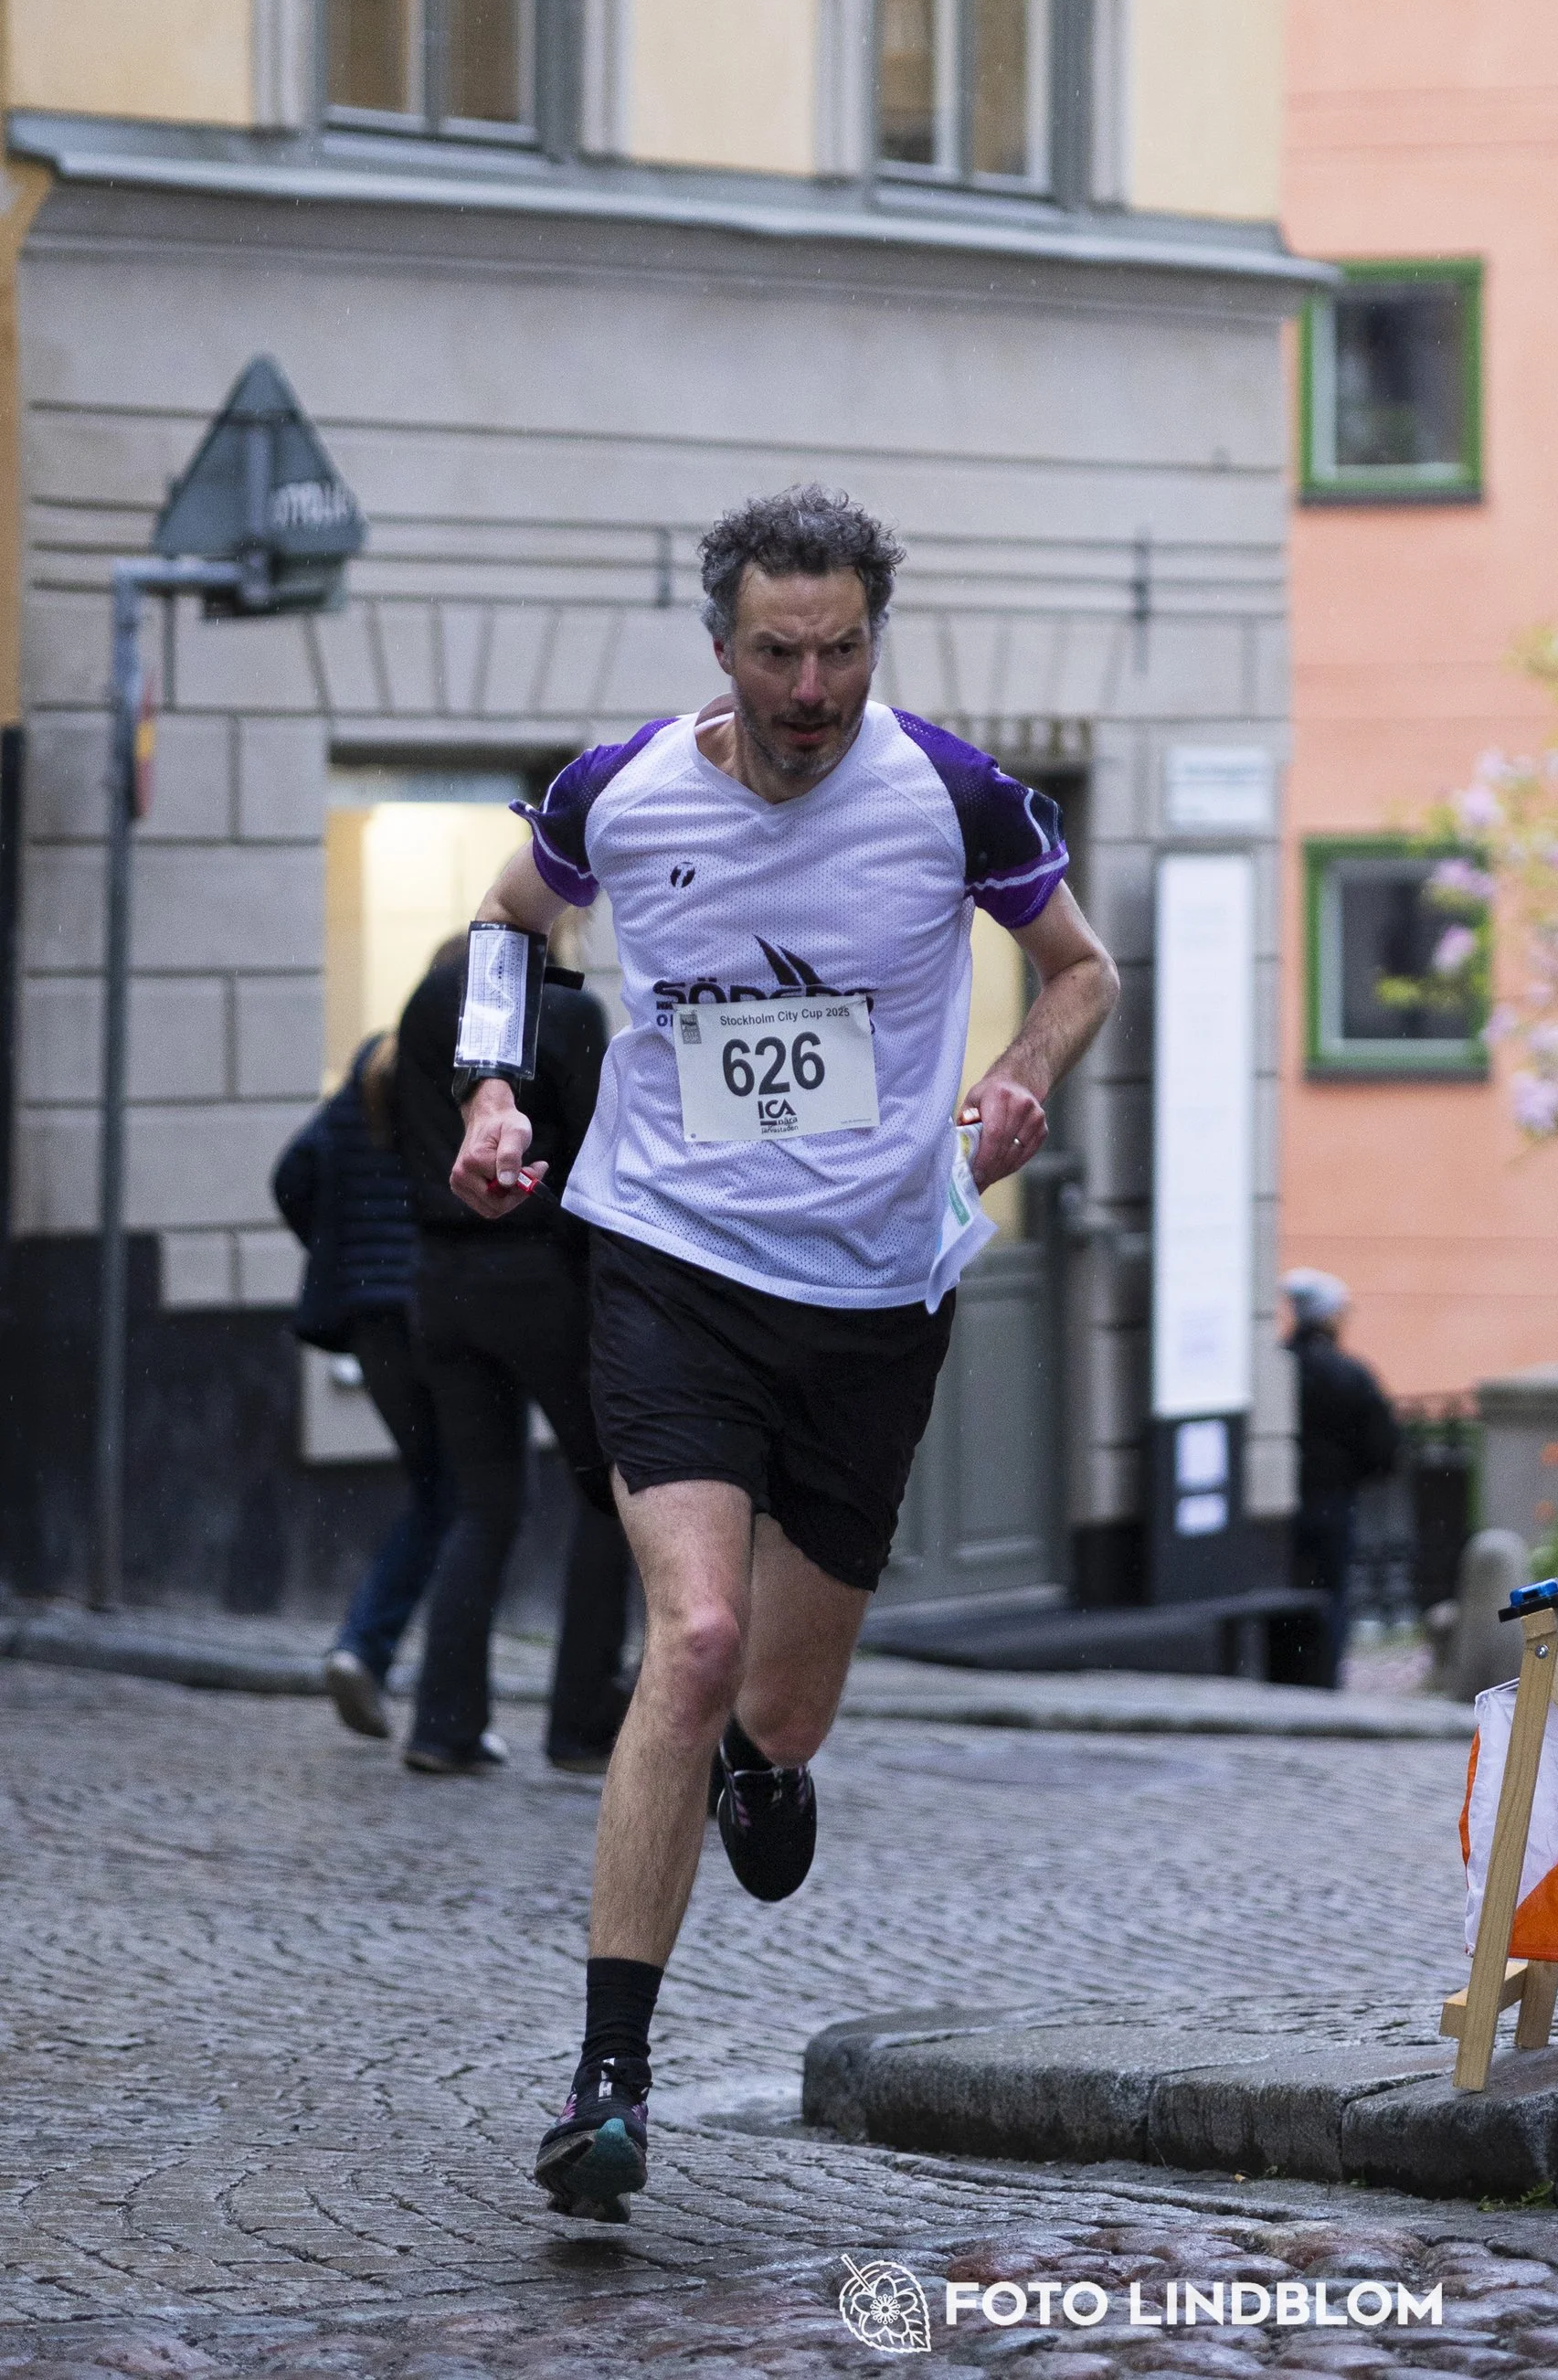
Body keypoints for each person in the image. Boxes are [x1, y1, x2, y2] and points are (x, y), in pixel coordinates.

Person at [441, 485, 1118, 2220]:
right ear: (721, 648)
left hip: (875, 1298)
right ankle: (609, 2080)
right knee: (698, 1636)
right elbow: (506, 921)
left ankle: (763, 1758)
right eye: (778, 654)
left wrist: (1022, 1071)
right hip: (670, 1264)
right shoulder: (621, 790)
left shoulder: (951, 792)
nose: (812, 690)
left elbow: (1081, 969)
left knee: (783, 1701)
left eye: (842, 651)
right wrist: (494, 1087)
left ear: (874, 639)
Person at [393, 937, 634, 1778]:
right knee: (611, 1490)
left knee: (483, 1502)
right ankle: (582, 1719)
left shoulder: (427, 1002)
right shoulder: (567, 1011)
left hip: (439, 1281)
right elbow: (602, 1157)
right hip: (542, 1282)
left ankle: (443, 1722)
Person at [271, 1033, 445, 1741]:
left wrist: (337, 1251)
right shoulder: (454, 1078)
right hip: (434, 1308)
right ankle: (393, 1666)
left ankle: (366, 1650)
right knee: (465, 1497)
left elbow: (292, 1174)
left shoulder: (367, 1073)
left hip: (371, 1320)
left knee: (439, 1488)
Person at [1279, 1269, 1401, 1685]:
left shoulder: (1279, 1367)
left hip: (1283, 1505)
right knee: (1331, 1593)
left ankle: (1290, 1672)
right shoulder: (1349, 1373)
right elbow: (1384, 1446)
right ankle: (1324, 1677)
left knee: (1288, 1589)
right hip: (1333, 1500)